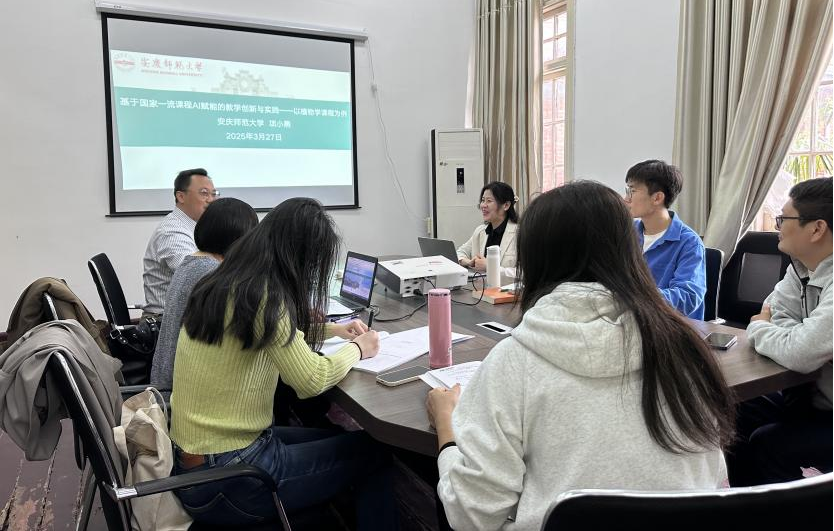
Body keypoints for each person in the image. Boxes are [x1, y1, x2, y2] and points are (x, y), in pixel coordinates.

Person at [426, 181, 734, 531]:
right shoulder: (684, 347)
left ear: (535, 259)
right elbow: (716, 478)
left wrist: (447, 430)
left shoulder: (514, 361)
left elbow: (471, 515)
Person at [170, 198, 397, 529]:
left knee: (333, 435)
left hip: (196, 466)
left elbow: (269, 334)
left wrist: (333, 329)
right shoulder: (265, 296)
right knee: (374, 453)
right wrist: (358, 349)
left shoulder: (226, 282)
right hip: (232, 478)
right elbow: (310, 380)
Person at [727, 177, 833, 486]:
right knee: (737, 408)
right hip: (813, 394)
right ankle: (742, 504)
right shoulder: (799, 268)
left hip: (825, 403)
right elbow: (773, 312)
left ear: (817, 228)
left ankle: (788, 507)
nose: (778, 227)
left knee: (768, 444)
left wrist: (761, 327)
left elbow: (800, 352)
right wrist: (800, 334)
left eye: (783, 219)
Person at [149, 197, 259, 392]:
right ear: (239, 239)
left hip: (169, 381)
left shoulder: (192, 262)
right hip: (180, 391)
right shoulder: (211, 274)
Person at [624, 160, 707, 319]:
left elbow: (688, 298)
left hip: (670, 325)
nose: (626, 198)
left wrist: (635, 295)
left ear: (657, 198)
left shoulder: (689, 243)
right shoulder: (627, 232)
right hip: (633, 318)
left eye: (632, 191)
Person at [142, 168, 218, 317]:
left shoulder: (194, 227)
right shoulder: (172, 232)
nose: (211, 200)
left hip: (183, 317)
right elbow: (196, 273)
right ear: (181, 196)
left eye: (213, 194)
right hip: (165, 322)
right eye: (204, 193)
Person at [456, 181, 518, 278]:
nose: (483, 205)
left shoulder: (519, 233)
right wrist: (469, 262)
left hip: (507, 287)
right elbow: (459, 253)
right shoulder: (480, 231)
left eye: (489, 201)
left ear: (506, 205)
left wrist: (490, 267)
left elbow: (525, 272)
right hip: (481, 286)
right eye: (483, 200)